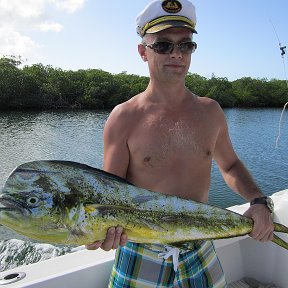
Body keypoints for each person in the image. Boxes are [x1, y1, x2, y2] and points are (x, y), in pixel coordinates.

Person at [87, 0, 274, 287]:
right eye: (163, 45)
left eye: (186, 45)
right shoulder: (123, 118)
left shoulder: (211, 112)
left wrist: (259, 201)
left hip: (200, 246)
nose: (176, 53)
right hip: (139, 250)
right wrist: (95, 232)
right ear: (143, 52)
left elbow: (231, 165)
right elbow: (109, 196)